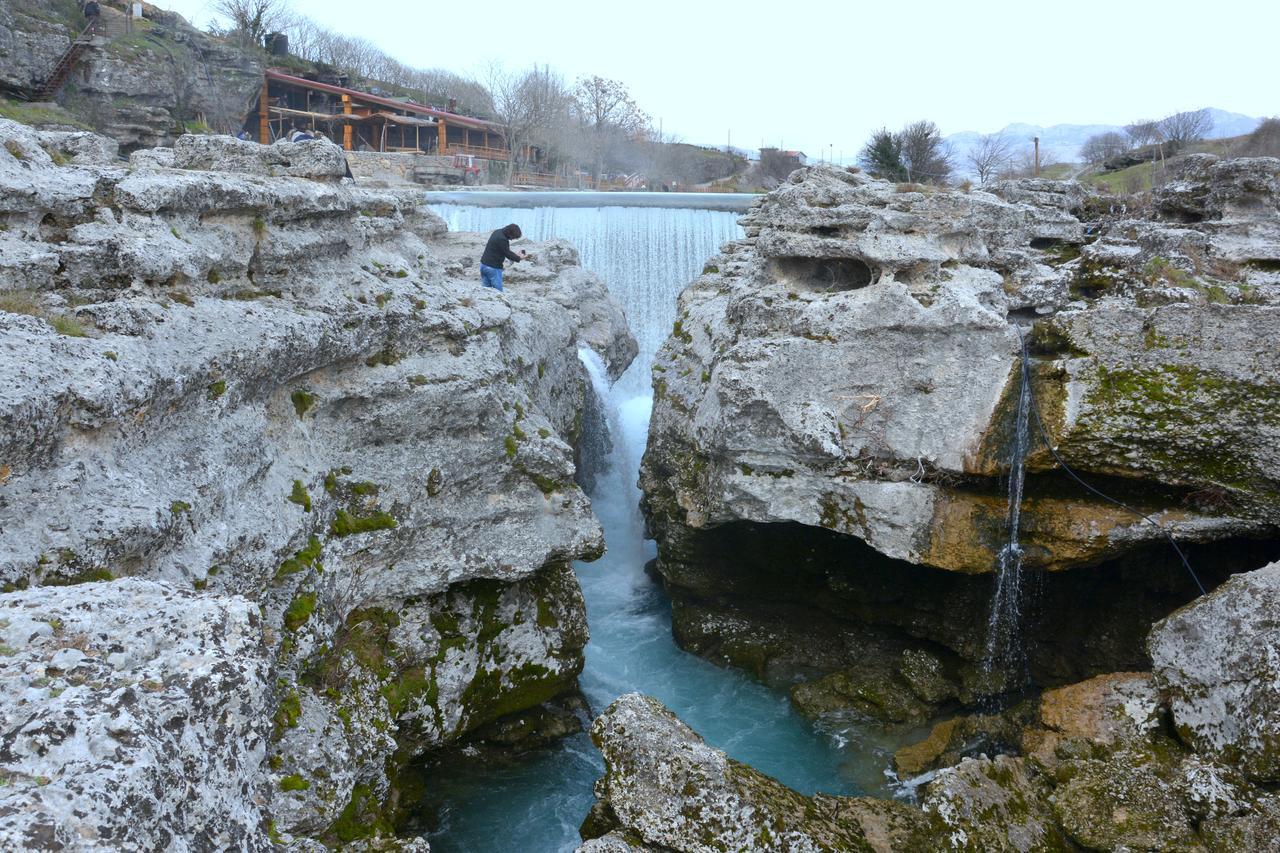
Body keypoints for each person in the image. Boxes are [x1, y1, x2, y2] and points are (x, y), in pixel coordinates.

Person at [479, 224, 529, 292]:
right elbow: (507, 253)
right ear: (510, 234)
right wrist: (519, 258)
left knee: (485, 290)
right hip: (493, 268)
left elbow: (503, 250)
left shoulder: (497, 232)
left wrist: (515, 256)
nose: (512, 239)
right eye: (513, 237)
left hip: (483, 265)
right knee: (498, 291)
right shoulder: (503, 239)